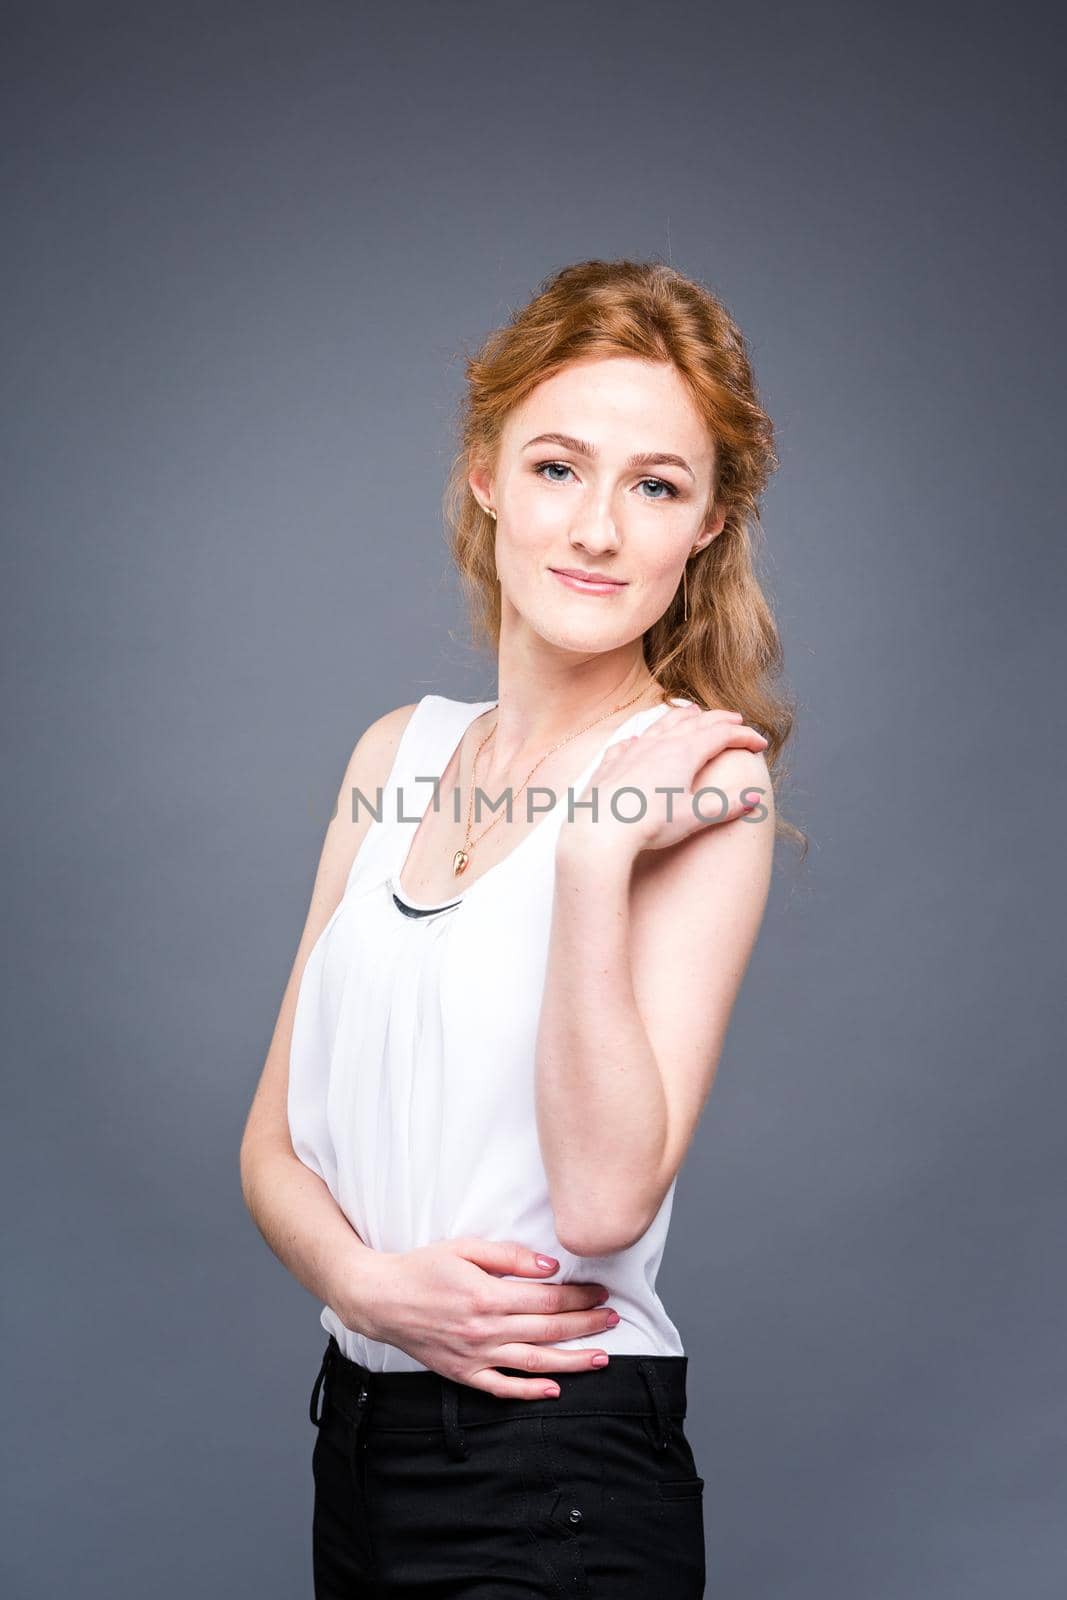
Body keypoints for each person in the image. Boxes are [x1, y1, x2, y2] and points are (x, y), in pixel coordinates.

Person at [240, 258, 801, 1597]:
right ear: (488, 472)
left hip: (558, 1470)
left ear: (707, 525)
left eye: (655, 485)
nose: (599, 528)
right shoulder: (399, 753)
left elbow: (607, 1202)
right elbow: (270, 1144)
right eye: (559, 467)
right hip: (363, 1442)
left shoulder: (702, 779)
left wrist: (596, 852)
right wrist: (366, 1291)